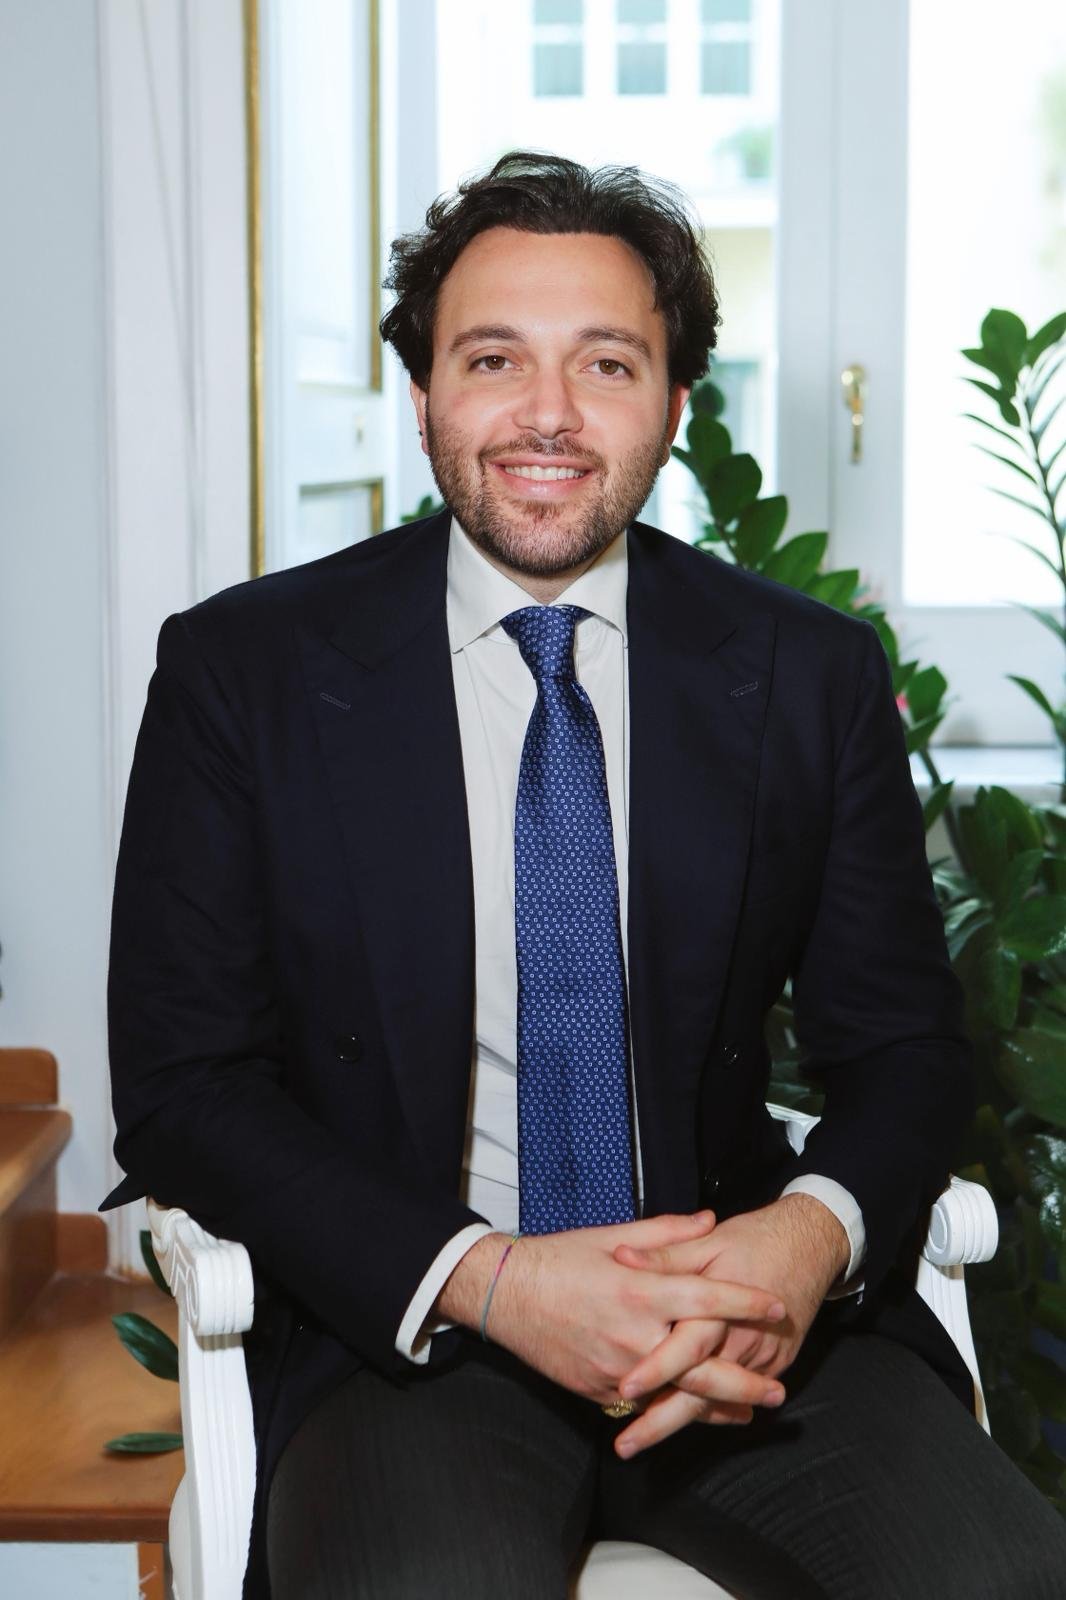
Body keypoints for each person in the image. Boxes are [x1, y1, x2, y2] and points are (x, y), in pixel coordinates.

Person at [100, 152, 1066, 1599]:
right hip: (414, 1330)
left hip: (736, 1320)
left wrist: (798, 1248)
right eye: (492, 359)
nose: (546, 414)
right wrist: (496, 1281)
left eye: (605, 364)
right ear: (420, 393)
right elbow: (184, 1086)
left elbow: (904, 1054)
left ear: (674, 407)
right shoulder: (244, 671)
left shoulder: (803, 674)